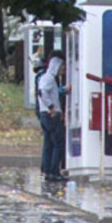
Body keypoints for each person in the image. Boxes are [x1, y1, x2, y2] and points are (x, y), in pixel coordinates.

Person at [38, 52, 69, 182]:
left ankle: (48, 170)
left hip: (45, 115)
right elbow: (43, 92)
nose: (63, 71)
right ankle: (54, 172)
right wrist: (52, 108)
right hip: (50, 115)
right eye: (62, 68)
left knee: (49, 144)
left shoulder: (46, 78)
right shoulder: (50, 79)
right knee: (58, 144)